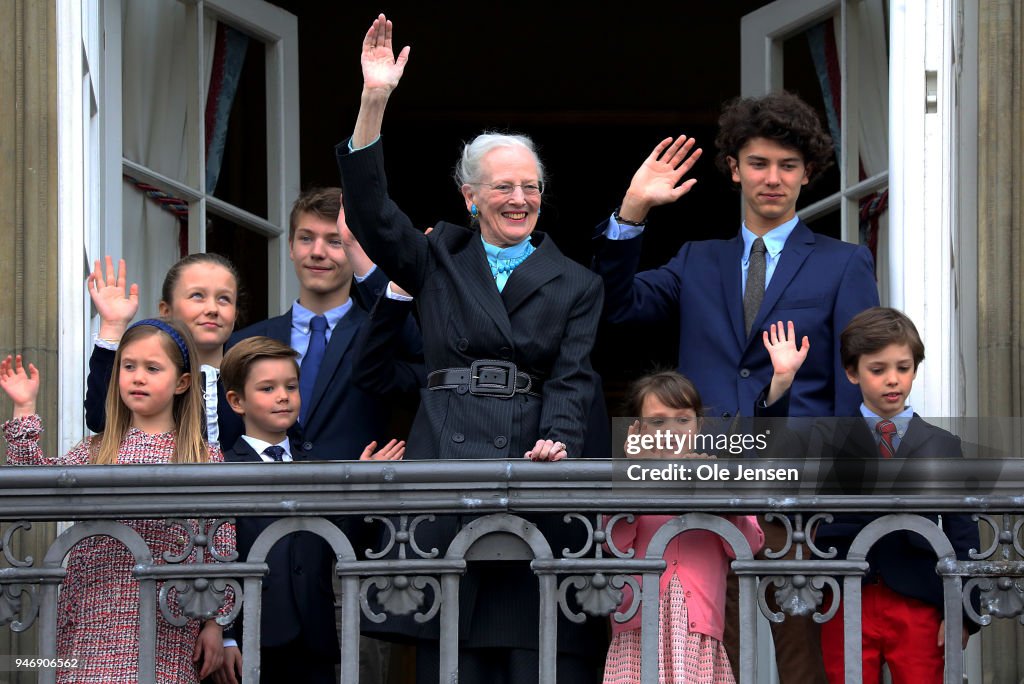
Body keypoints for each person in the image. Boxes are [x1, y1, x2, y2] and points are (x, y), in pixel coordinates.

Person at [335, 13, 605, 683]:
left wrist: (559, 441)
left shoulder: (578, 281)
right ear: (470, 195)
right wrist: (375, 100)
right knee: (447, 657)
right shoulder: (437, 256)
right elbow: (370, 215)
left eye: (531, 186)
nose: (520, 198)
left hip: (528, 475)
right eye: (503, 187)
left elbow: (573, 377)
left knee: (531, 655)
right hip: (445, 468)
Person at [592, 91, 881, 683]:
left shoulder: (844, 262)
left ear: (807, 174)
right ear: (733, 168)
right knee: (711, 652)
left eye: (788, 166)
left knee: (800, 658)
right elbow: (614, 311)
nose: (772, 178)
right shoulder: (697, 259)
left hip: (793, 495)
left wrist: (833, 496)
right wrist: (632, 213)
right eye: (758, 163)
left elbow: (853, 389)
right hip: (698, 491)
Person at [1, 318, 234, 683]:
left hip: (165, 618)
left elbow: (220, 547)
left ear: (182, 382)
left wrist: (215, 623)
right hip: (89, 611)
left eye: (152, 368)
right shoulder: (97, 450)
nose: (138, 377)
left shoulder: (201, 457)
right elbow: (32, 485)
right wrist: (24, 408)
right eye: (129, 366)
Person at [798, 308, 980, 683]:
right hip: (845, 595)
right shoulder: (825, 437)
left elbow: (963, 532)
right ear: (852, 372)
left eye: (903, 367)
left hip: (920, 598)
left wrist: (962, 611)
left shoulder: (943, 444)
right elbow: (805, 512)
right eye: (878, 370)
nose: (892, 380)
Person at [213, 336, 403, 684]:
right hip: (251, 636)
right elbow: (217, 559)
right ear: (236, 401)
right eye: (267, 388)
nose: (283, 396)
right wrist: (225, 633)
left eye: (291, 386)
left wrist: (358, 491)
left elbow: (345, 542)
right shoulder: (223, 468)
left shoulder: (319, 469)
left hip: (314, 637)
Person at [228, 187, 418, 462]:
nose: (317, 252)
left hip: (356, 499)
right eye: (306, 238)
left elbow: (426, 371)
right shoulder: (244, 342)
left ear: (356, 251)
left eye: (335, 241)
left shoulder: (383, 336)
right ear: (291, 246)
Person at [606, 370, 766, 684]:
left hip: (698, 634)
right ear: (636, 429)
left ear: (698, 425)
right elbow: (615, 543)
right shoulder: (625, 480)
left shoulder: (716, 477)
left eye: (682, 420)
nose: (671, 431)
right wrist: (634, 479)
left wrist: (717, 491)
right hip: (638, 629)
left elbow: (747, 546)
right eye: (657, 421)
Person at [85, 253, 244, 449]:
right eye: (197, 296)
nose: (212, 308)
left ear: (235, 314)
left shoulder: (250, 379)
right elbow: (100, 418)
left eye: (224, 299)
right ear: (166, 310)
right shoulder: (149, 378)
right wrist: (112, 326)